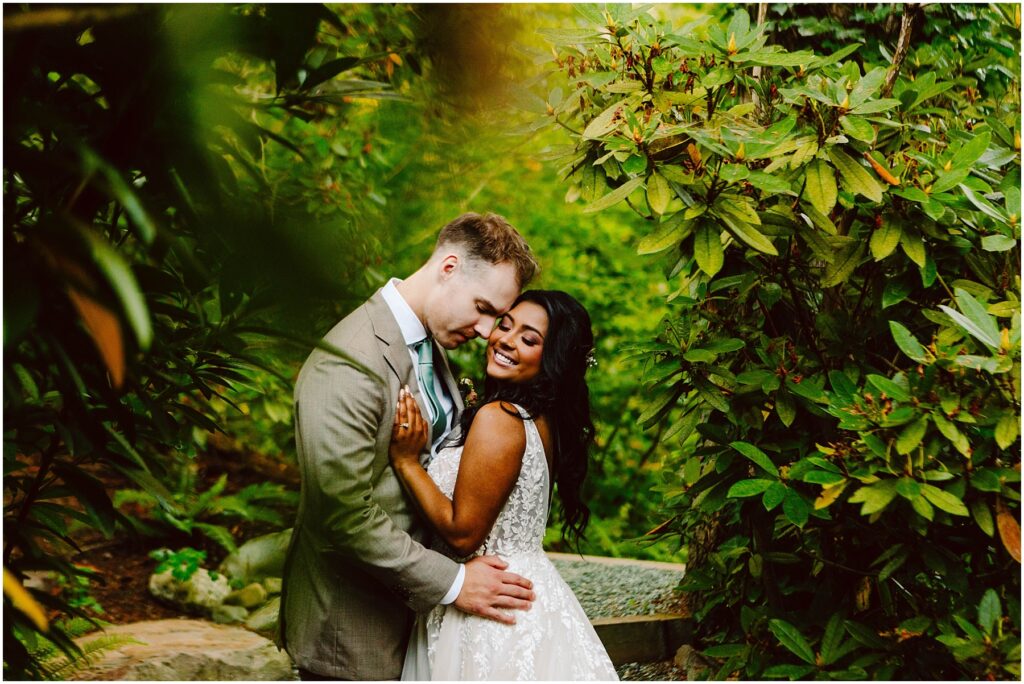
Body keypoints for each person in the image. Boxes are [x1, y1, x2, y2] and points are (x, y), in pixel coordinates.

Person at [278, 213, 540, 680]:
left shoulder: (429, 344)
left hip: (414, 627)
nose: (486, 331)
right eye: (482, 308)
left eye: (495, 316)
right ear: (449, 267)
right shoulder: (350, 362)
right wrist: (456, 582)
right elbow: (341, 514)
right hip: (351, 633)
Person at [389, 290, 618, 680]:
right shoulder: (541, 418)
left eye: (529, 339)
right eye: (505, 325)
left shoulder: (501, 417)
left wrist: (407, 462)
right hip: (527, 592)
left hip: (489, 603)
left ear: (553, 359)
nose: (506, 340)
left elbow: (463, 534)